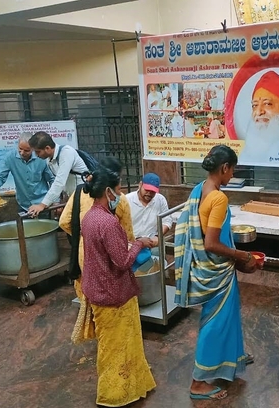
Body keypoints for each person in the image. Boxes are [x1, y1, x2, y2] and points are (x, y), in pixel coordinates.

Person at [174, 145, 257, 400]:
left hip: (209, 267)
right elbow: (211, 243)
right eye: (232, 170)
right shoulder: (218, 198)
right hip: (216, 271)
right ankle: (198, 383)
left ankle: (231, 360)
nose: (232, 175)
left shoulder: (201, 189)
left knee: (226, 318)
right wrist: (242, 255)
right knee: (215, 323)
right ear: (224, 168)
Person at [75, 162, 156, 407]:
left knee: (119, 343)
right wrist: (140, 244)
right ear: (107, 191)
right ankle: (113, 394)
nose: (119, 196)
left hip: (97, 288)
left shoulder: (90, 217)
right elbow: (122, 262)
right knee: (117, 347)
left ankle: (135, 385)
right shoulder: (108, 223)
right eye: (118, 191)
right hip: (113, 294)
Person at [59, 157, 136, 300]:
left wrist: (84, 236)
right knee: (107, 298)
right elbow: (128, 235)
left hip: (83, 255)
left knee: (87, 298)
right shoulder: (119, 199)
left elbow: (64, 222)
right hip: (107, 259)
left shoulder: (80, 191)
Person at [27, 131, 88, 217]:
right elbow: (62, 184)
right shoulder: (49, 160)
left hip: (85, 195)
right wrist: (59, 202)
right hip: (73, 197)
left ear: (47, 148)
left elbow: (59, 182)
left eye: (38, 152)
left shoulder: (66, 152)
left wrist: (42, 205)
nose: (36, 155)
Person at [0, 132, 55, 211]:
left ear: (33, 148)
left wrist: (55, 201)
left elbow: (52, 179)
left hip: (42, 203)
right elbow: (0, 176)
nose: (22, 153)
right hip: (23, 204)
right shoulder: (10, 157)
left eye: (26, 150)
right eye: (20, 149)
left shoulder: (42, 158)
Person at [126, 173, 171, 245]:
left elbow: (167, 221)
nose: (149, 193)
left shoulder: (160, 199)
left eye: (153, 191)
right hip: (131, 243)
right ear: (140, 185)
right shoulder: (127, 200)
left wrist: (158, 236)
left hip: (152, 242)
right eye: (146, 190)